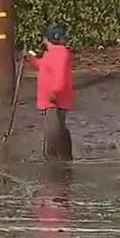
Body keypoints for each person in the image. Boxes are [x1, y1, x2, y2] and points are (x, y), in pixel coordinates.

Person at [25, 25, 74, 161]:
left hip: (54, 99)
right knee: (58, 127)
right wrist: (32, 59)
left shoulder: (58, 53)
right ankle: (64, 156)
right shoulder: (54, 53)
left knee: (52, 130)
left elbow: (60, 77)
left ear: (47, 39)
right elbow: (44, 66)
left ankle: (54, 159)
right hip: (54, 98)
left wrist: (54, 93)